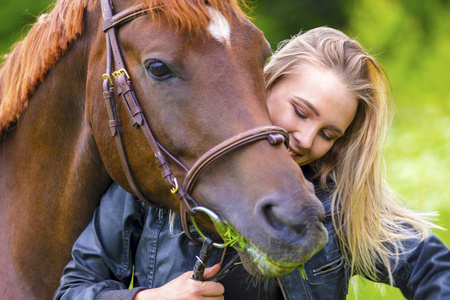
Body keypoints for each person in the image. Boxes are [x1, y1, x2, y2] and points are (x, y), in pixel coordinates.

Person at [54, 27, 450, 300]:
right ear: (265, 80)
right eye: (300, 111)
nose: (307, 140)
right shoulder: (166, 171)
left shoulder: (333, 200)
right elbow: (73, 288)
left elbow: (432, 267)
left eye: (329, 133)